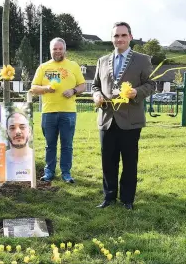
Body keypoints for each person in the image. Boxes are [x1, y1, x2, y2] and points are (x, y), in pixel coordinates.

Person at [91, 22, 155, 210]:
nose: (119, 39)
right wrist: (96, 94)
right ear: (112, 39)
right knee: (108, 161)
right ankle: (108, 197)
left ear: (130, 37)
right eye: (116, 36)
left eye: (123, 35)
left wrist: (136, 92)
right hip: (106, 119)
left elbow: (151, 85)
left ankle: (127, 199)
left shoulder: (142, 60)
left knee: (129, 161)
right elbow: (95, 85)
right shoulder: (102, 61)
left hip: (130, 120)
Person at [30, 37, 86, 183]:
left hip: (68, 112)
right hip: (48, 112)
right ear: (51, 50)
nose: (58, 51)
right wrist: (46, 88)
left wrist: (73, 90)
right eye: (55, 49)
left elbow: (83, 85)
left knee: (67, 145)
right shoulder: (43, 67)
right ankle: (49, 172)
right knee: (50, 145)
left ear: (64, 50)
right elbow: (34, 88)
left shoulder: (73, 66)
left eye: (60, 48)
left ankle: (66, 173)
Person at [5, 112, 34, 181]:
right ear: (6, 133)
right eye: (12, 128)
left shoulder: (34, 158)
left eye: (22, 127)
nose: (18, 132)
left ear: (29, 131)